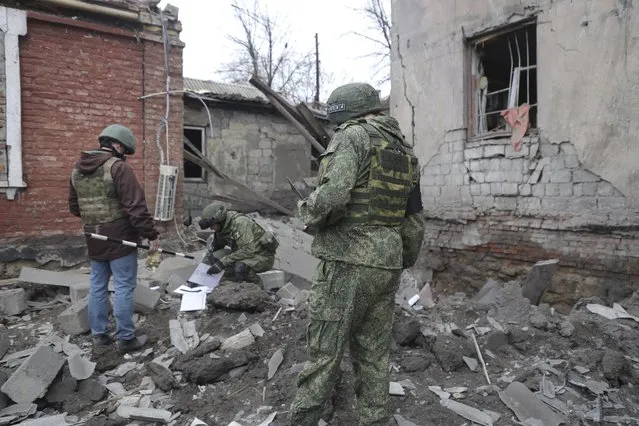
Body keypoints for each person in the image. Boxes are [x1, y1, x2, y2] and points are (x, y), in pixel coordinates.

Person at [289, 83, 424, 426]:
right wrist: (400, 258)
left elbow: (334, 195)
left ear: (343, 114)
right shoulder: (404, 151)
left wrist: (307, 213)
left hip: (348, 261)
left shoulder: (352, 137)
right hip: (386, 263)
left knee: (325, 351)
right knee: (374, 354)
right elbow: (414, 219)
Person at [69, 124, 159, 354]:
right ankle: (126, 339)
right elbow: (136, 208)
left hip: (93, 236)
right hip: (120, 238)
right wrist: (151, 236)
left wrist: (96, 219)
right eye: (125, 150)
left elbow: (75, 207)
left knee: (98, 286)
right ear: (117, 145)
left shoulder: (77, 170)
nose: (125, 156)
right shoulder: (118, 168)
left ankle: (99, 335)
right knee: (123, 287)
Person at [199, 202, 279, 281]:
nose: (211, 229)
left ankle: (255, 288)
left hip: (262, 256)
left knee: (240, 268)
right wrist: (200, 274)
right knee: (213, 258)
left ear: (220, 220)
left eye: (212, 225)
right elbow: (214, 249)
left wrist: (223, 262)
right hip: (242, 253)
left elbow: (248, 250)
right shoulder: (222, 229)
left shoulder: (240, 223)